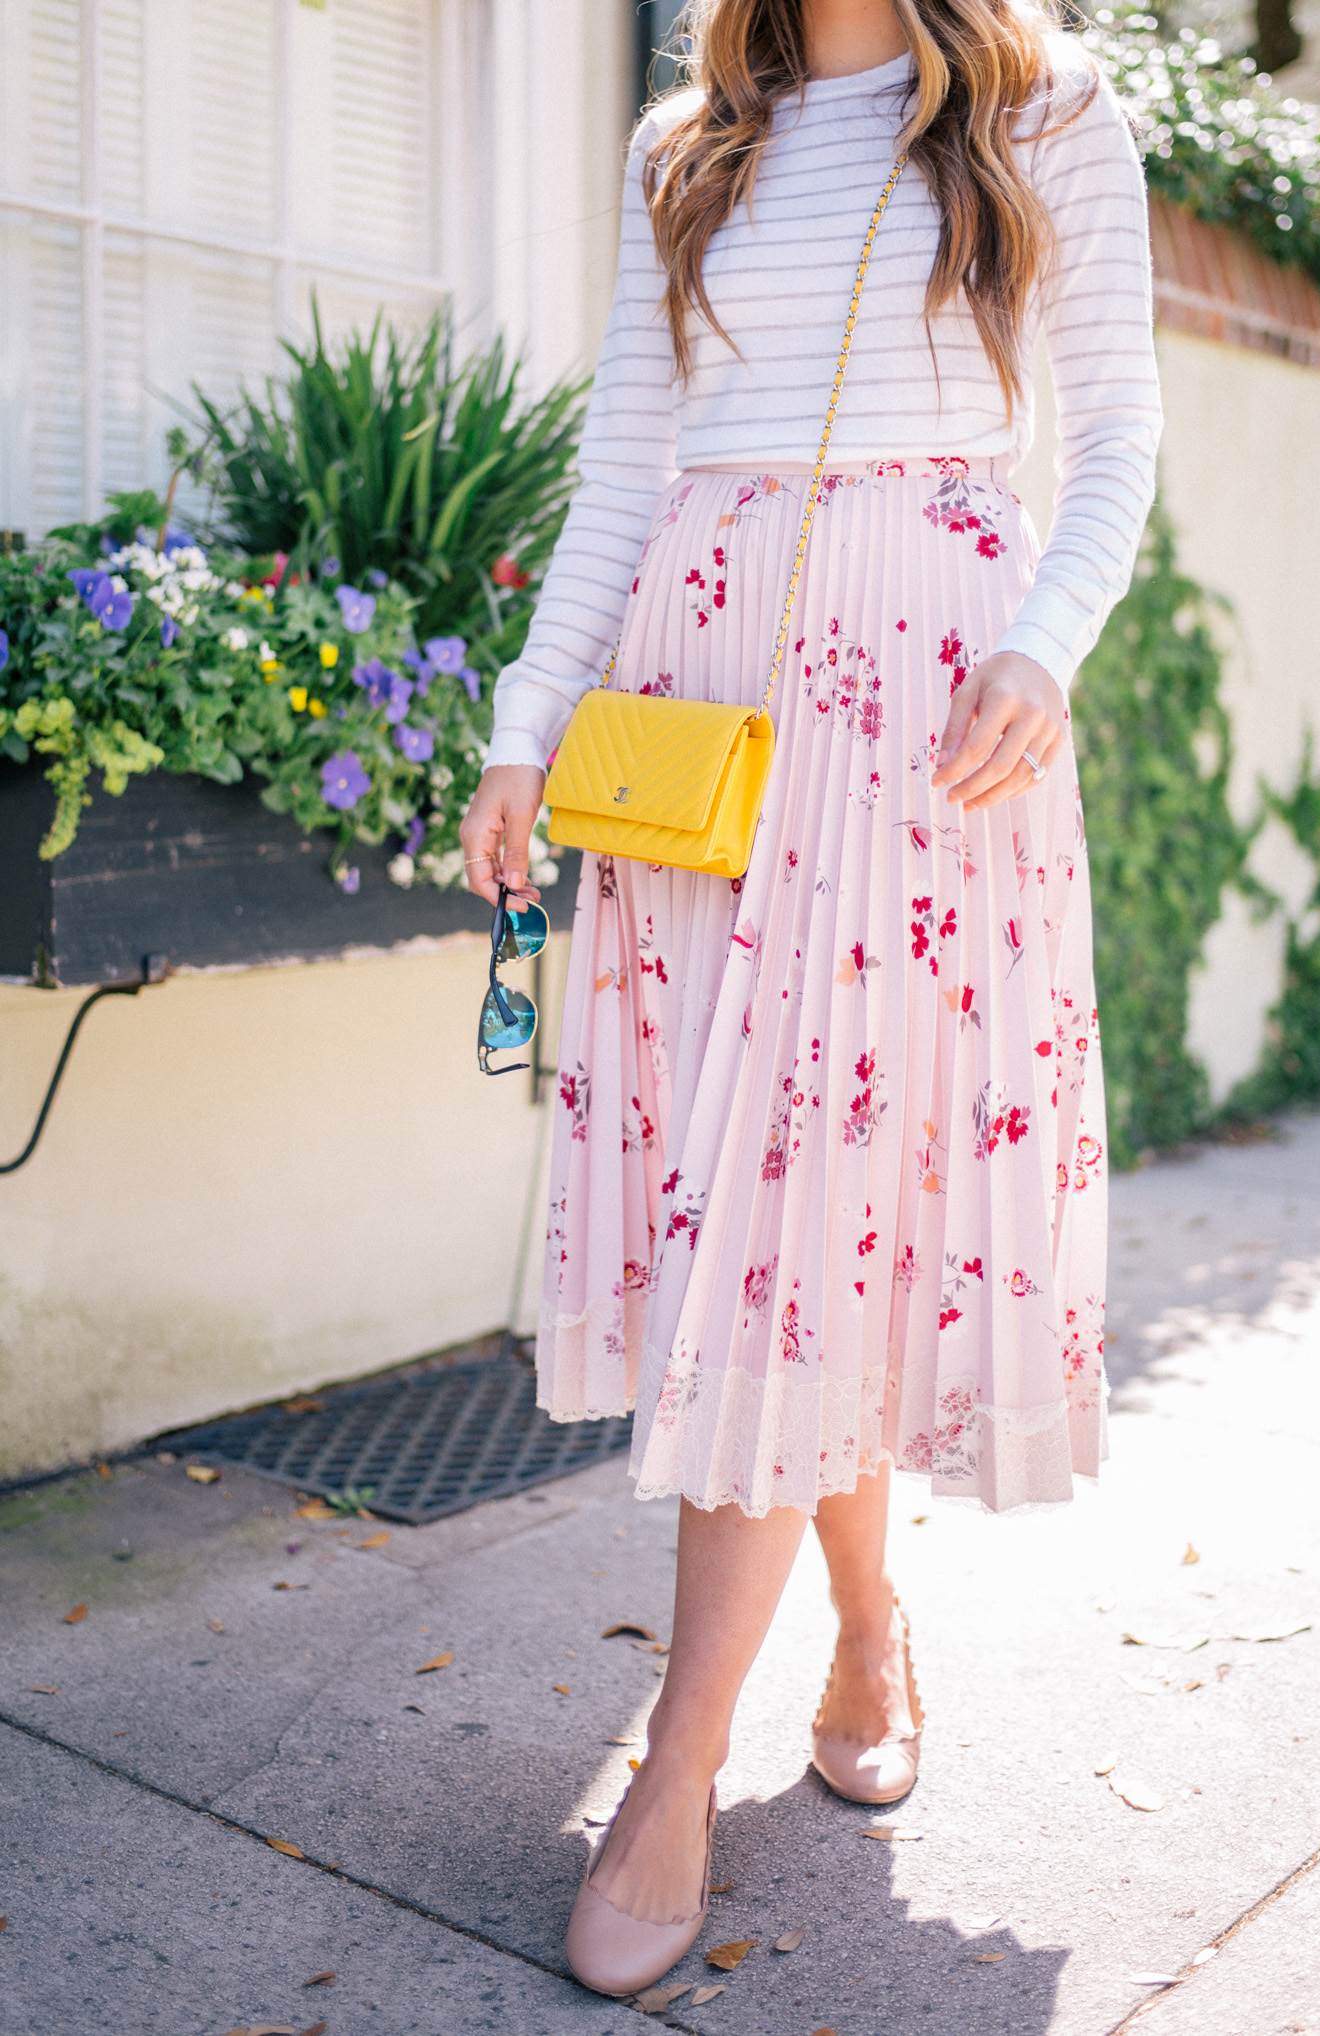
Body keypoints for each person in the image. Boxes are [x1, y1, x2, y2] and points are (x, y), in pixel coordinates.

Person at [458, 0, 1162, 1998]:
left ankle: (674, 1761)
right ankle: (862, 1632)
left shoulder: (1051, 116)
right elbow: (622, 460)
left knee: (798, 1221)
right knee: (778, 1234)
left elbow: (1112, 426)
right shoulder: (687, 140)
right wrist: (525, 730)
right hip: (701, 723)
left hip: (931, 730)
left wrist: (1041, 647)